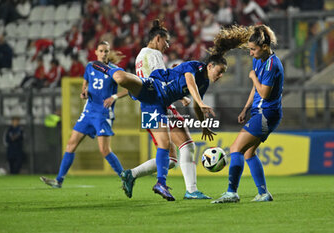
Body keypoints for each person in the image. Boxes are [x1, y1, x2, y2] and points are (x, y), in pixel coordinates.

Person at [92, 50, 228, 201]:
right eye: (220, 71)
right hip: (151, 95)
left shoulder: (204, 82)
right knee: (121, 78)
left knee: (178, 154)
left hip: (165, 104)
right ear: (210, 66)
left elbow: (196, 105)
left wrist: (204, 125)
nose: (221, 75)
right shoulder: (194, 66)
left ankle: (135, 175)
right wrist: (198, 101)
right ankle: (108, 68)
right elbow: (189, 81)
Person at [120, 19, 210, 200]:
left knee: (171, 160)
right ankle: (190, 190)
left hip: (151, 104)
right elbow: (159, 81)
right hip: (157, 104)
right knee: (186, 146)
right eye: (166, 41)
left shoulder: (141, 55)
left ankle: (131, 174)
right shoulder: (152, 54)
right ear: (158, 38)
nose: (167, 46)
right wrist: (181, 96)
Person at [211, 25, 284, 203]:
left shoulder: (272, 65)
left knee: (236, 148)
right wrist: (245, 108)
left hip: (267, 114)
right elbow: (256, 89)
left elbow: (264, 93)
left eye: (253, 49)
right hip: (260, 112)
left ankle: (231, 192)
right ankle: (263, 193)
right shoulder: (259, 59)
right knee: (249, 152)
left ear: (265, 47)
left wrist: (252, 76)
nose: (251, 53)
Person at [40, 41, 128, 188]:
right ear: (96, 52)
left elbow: (129, 89)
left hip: (103, 114)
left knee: (104, 150)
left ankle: (125, 178)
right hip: (88, 112)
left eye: (106, 51)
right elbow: (85, 83)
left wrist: (114, 97)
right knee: (70, 145)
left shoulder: (115, 70)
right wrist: (84, 91)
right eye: (101, 51)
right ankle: (59, 180)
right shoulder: (90, 66)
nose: (104, 53)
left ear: (108, 52)